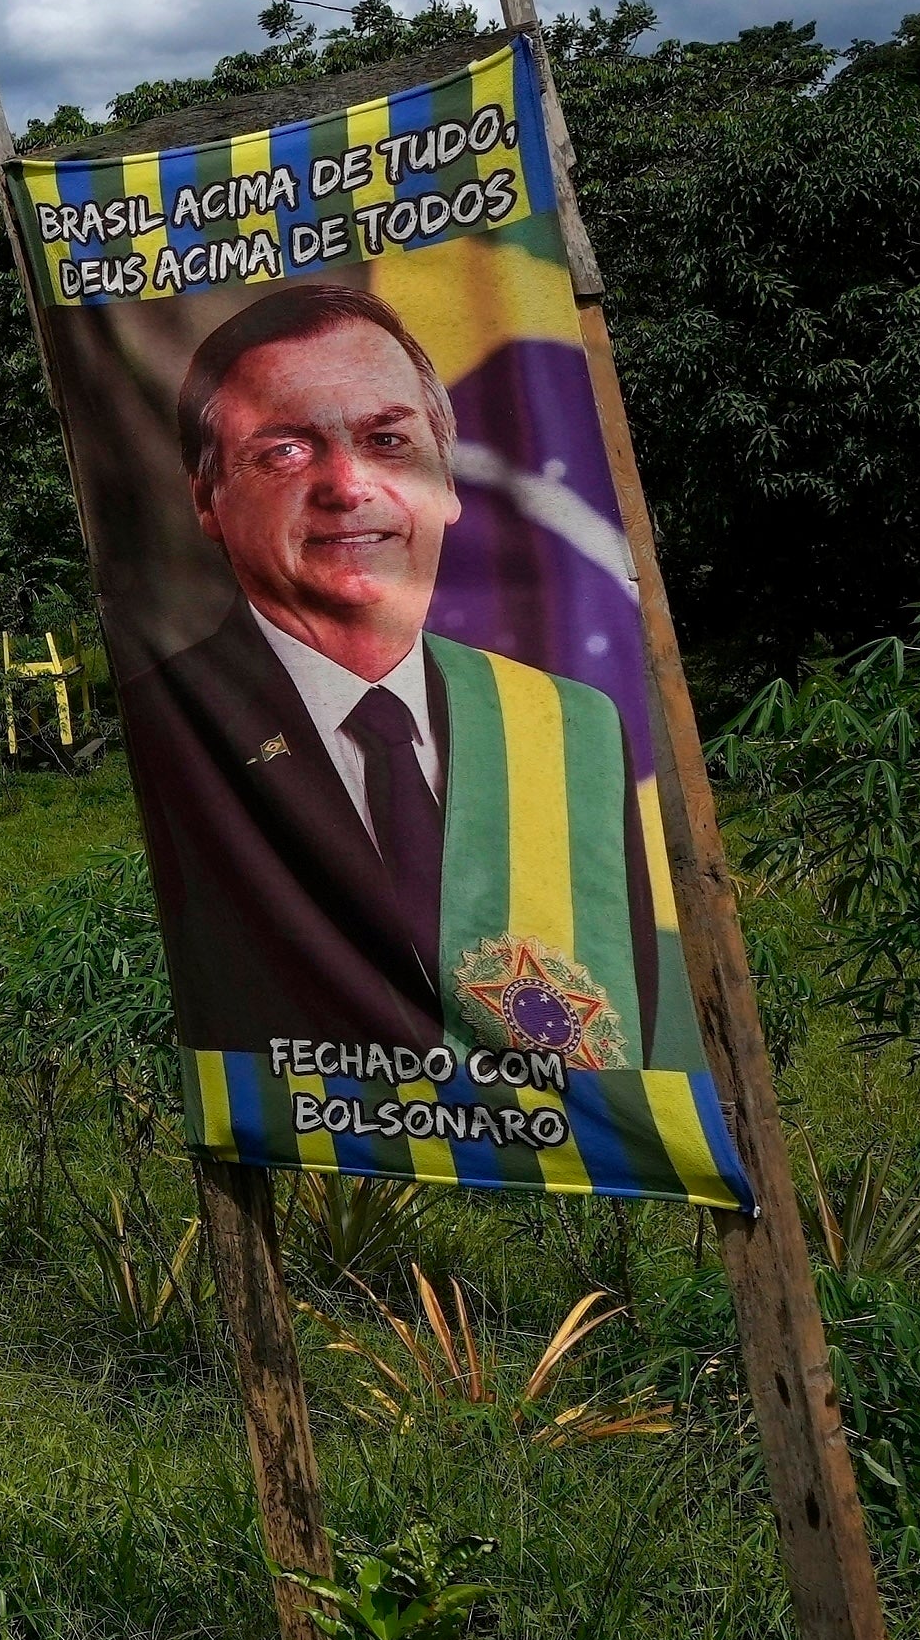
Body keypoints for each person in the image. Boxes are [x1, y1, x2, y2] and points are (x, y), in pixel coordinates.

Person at [124, 281, 679, 1069]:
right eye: (284, 450)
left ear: (447, 483)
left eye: (388, 440)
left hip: (557, 1162)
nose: (349, 487)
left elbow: (628, 1034)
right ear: (208, 497)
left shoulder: (571, 725)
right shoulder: (165, 722)